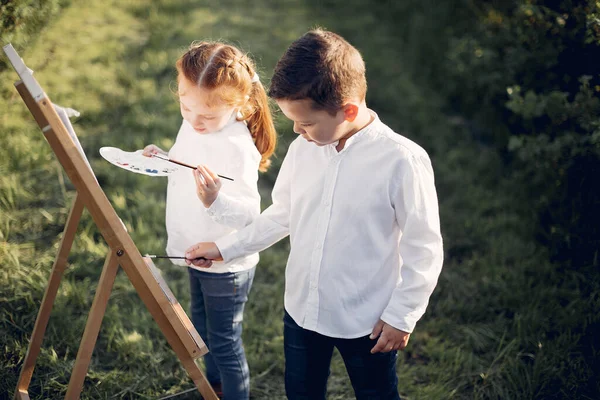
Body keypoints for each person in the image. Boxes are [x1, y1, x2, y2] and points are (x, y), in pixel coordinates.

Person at [185, 29, 443, 400]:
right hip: (303, 312)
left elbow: (424, 248)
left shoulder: (402, 160)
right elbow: (282, 215)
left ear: (348, 110)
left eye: (306, 123)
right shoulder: (305, 149)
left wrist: (402, 315)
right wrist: (226, 248)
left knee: (376, 394)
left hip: (367, 320)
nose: (297, 131)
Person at [142, 41, 277, 400]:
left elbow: (250, 213)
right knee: (202, 328)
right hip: (195, 248)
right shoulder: (194, 122)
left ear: (239, 107)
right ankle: (214, 389)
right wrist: (161, 158)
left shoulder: (236, 147)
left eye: (206, 116)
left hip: (226, 263)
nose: (193, 120)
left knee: (224, 340)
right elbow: (185, 160)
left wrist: (215, 200)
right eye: (186, 107)